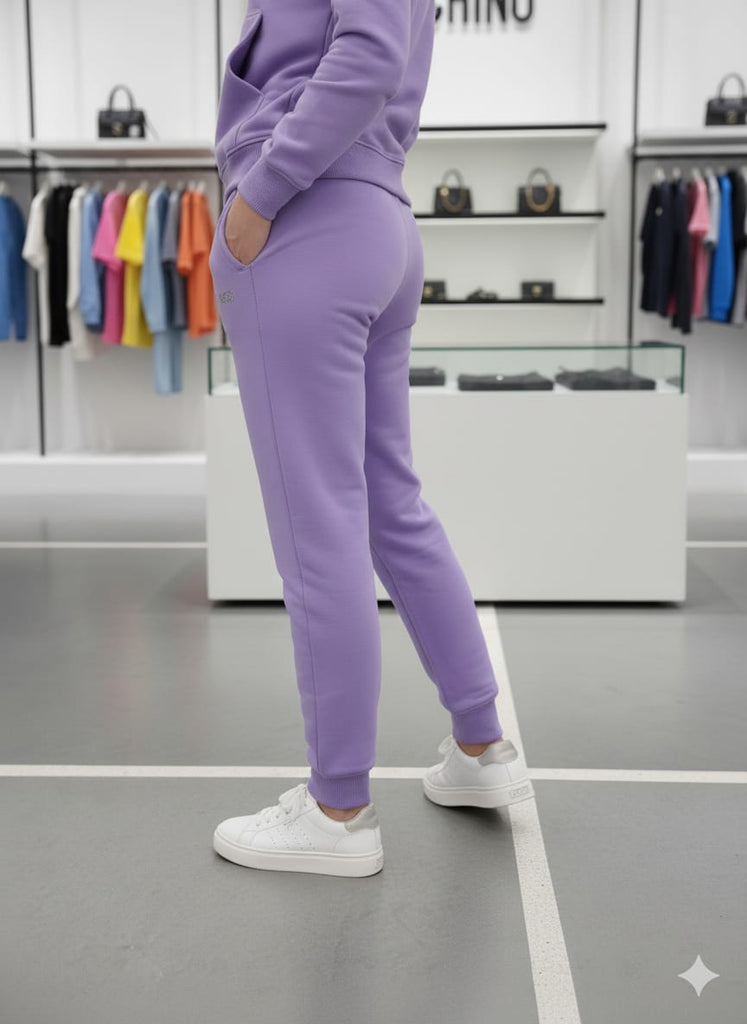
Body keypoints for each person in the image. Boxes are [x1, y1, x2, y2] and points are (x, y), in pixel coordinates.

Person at [209, 0, 533, 880]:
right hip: (374, 213)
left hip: (304, 214)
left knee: (317, 524)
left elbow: (370, 51)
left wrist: (258, 195)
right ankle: (480, 746)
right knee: (389, 503)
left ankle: (337, 810)